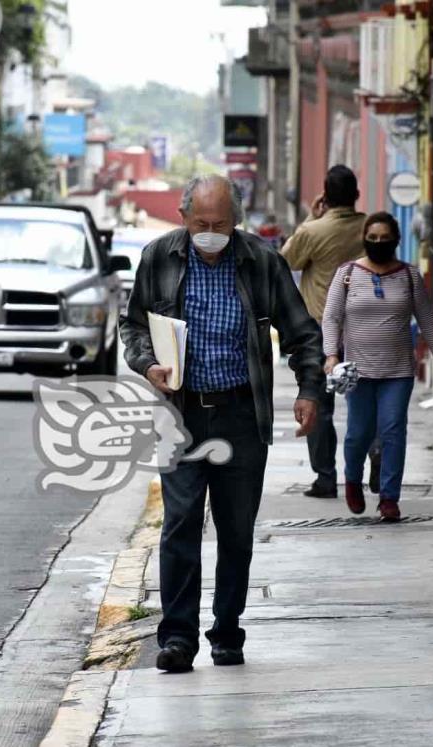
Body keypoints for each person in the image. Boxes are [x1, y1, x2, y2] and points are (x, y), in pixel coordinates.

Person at [121, 175, 323, 673]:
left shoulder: (261, 262)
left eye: (220, 225)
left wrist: (308, 390)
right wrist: (148, 364)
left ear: (237, 221)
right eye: (200, 225)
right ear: (184, 218)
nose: (210, 234)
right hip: (182, 413)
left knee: (235, 531)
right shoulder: (158, 257)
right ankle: (177, 638)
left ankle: (227, 632)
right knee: (180, 524)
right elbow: (133, 324)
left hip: (240, 414)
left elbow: (302, 333)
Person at [321, 211, 433, 522]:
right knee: (358, 433)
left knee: (393, 431)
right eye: (373, 238)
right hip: (358, 371)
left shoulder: (409, 276)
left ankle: (389, 498)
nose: (378, 243)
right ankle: (352, 479)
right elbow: (331, 317)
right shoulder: (347, 274)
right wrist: (331, 356)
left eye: (384, 238)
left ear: (396, 240)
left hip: (398, 371)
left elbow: (427, 319)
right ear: (364, 239)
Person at [279, 165, 367, 499]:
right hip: (364, 330)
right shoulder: (369, 227)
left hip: (320, 331)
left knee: (319, 404)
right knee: (367, 401)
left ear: (325, 196)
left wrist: (311, 220)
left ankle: (326, 478)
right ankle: (372, 463)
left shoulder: (313, 231)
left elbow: (285, 261)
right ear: (356, 195)